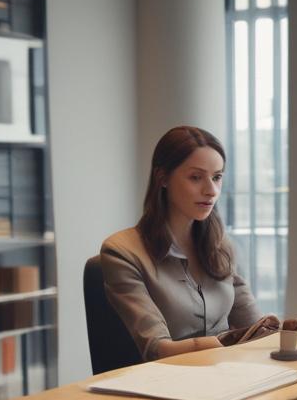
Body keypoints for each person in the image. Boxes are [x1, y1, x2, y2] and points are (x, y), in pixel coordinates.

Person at [101, 125, 279, 361]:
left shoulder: (221, 245)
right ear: (163, 178)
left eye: (217, 177)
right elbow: (158, 349)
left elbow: (258, 329)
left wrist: (278, 332)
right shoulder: (122, 251)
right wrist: (226, 343)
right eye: (196, 177)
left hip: (227, 374)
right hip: (167, 383)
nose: (211, 190)